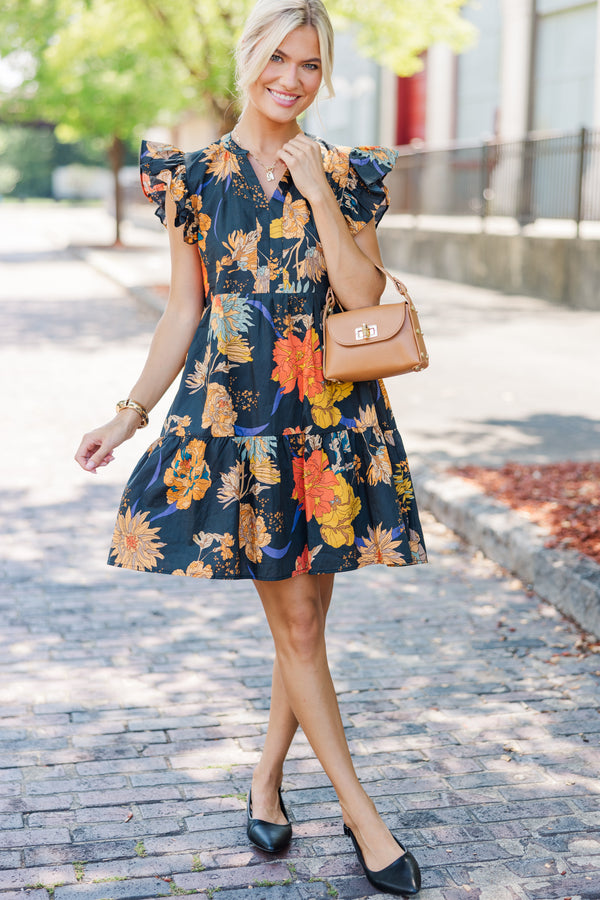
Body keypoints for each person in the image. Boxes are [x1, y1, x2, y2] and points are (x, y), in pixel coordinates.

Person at [75, 0, 426, 894]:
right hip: (241, 424)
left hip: (332, 419)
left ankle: (267, 781)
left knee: (304, 624)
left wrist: (317, 194)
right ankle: (364, 818)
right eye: (280, 58)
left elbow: (361, 294)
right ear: (250, 59)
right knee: (299, 625)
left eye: (310, 65)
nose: (292, 79)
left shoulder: (346, 172)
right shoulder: (189, 178)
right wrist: (131, 412)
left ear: (323, 74)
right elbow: (182, 310)